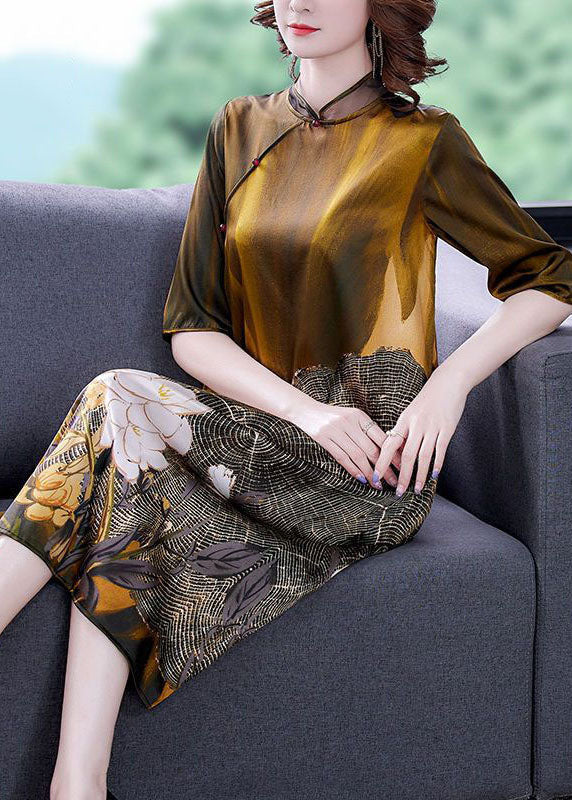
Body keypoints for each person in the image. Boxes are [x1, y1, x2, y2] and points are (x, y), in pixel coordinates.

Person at [2, 1, 572, 798]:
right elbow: (192, 330)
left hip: (370, 470)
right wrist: (305, 411)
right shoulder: (238, 127)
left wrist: (448, 387)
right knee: (123, 473)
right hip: (258, 439)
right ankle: (77, 783)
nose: (300, 2)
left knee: (115, 402)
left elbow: (549, 277)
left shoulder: (424, 142)